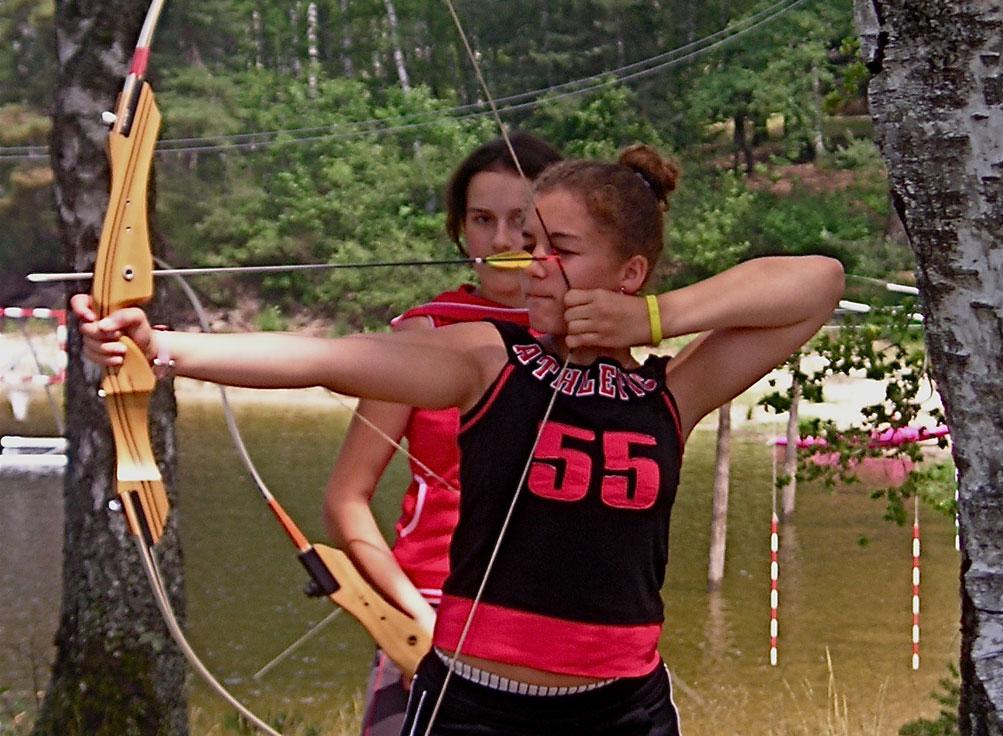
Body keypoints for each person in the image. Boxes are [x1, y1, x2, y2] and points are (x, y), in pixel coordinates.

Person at [75, 143, 845, 735]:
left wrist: (653, 321)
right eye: (528, 241)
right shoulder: (487, 360)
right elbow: (328, 360)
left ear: (630, 270)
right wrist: (164, 346)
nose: (529, 264)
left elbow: (818, 282)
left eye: (560, 249)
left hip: (623, 709)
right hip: (476, 704)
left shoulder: (671, 393)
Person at [322, 132, 561, 735]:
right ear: (460, 230)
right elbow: (347, 498)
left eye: (522, 221)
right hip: (431, 606)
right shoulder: (425, 334)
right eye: (483, 220)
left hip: (558, 621)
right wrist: (412, 620)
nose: (503, 242)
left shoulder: (591, 336)